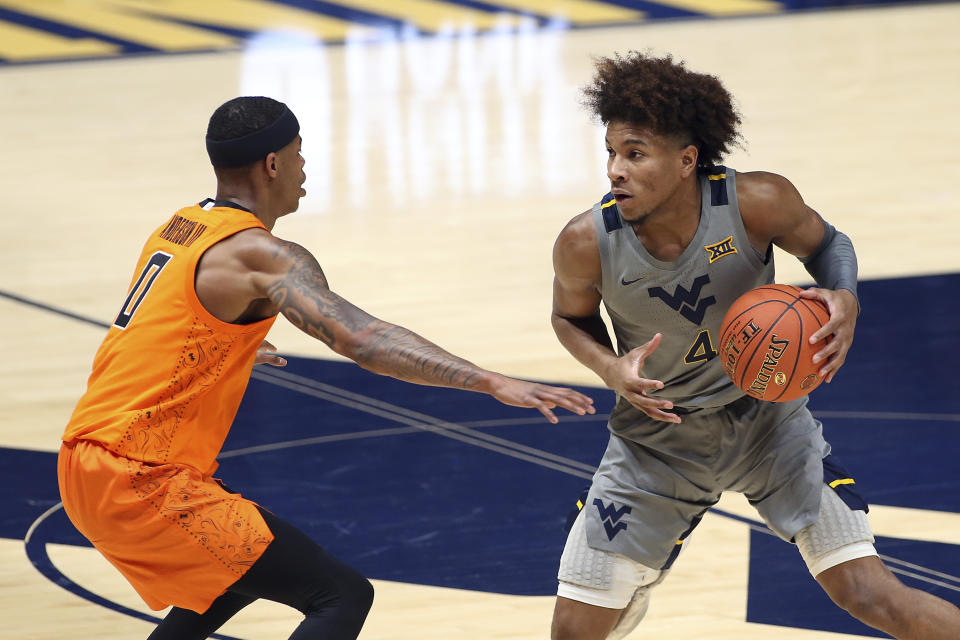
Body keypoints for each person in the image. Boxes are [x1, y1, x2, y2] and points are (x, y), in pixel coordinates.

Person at [57, 95, 595, 640]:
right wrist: (490, 379)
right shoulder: (263, 257)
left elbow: (160, 328)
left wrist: (230, 353)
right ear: (273, 164)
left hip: (83, 462)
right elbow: (364, 340)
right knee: (339, 595)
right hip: (142, 478)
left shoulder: (179, 229)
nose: (304, 166)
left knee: (228, 581)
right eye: (299, 152)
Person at [548, 52, 960, 640]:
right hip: (658, 441)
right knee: (573, 631)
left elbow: (830, 244)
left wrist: (844, 296)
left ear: (687, 160)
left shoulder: (757, 201)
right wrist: (610, 368)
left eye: (635, 154)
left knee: (870, 594)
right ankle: (627, 583)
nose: (615, 169)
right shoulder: (585, 241)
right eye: (611, 152)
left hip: (770, 423)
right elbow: (569, 319)